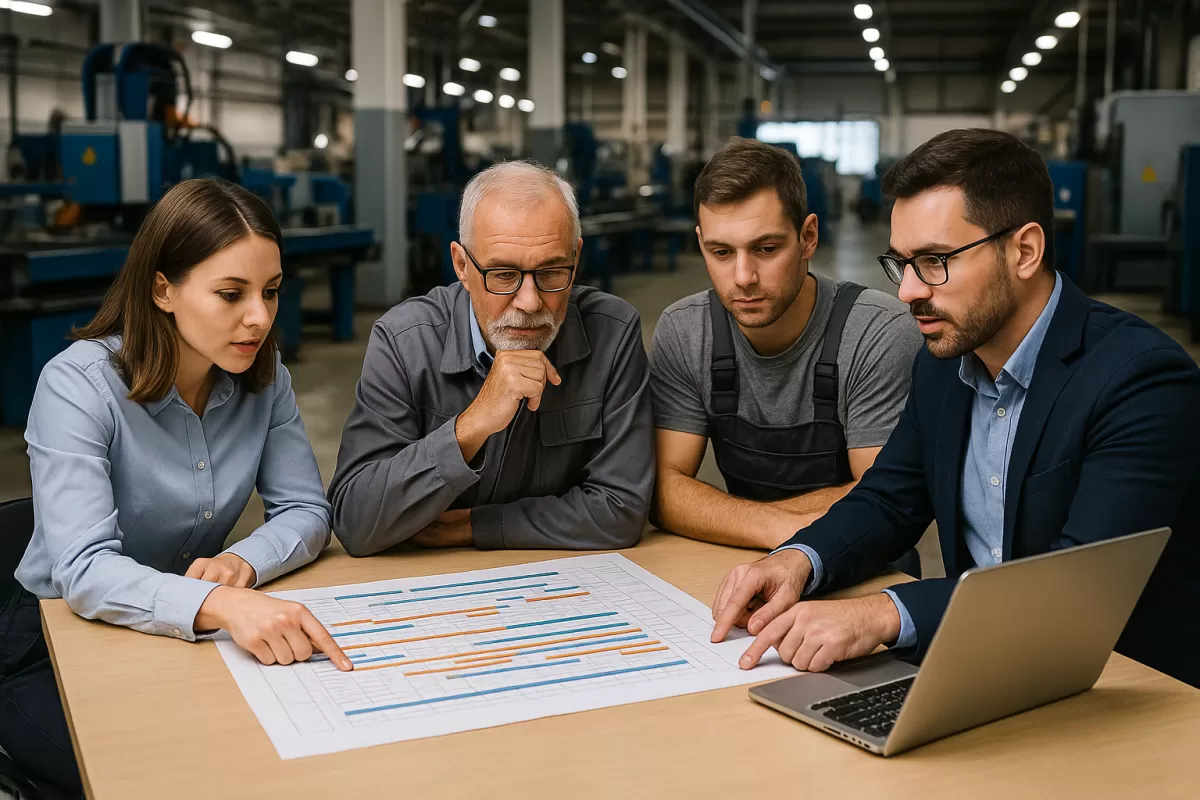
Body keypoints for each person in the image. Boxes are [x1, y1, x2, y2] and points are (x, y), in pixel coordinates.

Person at [710, 128, 1200, 690]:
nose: (908, 292)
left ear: (1025, 250)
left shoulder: (1140, 380)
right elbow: (889, 498)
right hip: (986, 670)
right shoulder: (945, 363)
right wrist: (795, 560)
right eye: (902, 264)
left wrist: (884, 614)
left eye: (935, 261)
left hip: (1124, 691)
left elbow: (1077, 587)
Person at [0, 179, 353, 796]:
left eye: (270, 292)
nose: (261, 318)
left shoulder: (265, 381)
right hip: (54, 645)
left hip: (181, 637)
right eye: (230, 293)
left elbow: (304, 508)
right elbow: (82, 569)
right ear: (163, 288)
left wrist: (242, 562)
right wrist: (222, 605)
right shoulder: (77, 387)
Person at [328, 160, 652, 555]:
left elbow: (622, 509)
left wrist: (470, 526)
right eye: (502, 275)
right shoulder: (404, 343)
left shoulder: (613, 334)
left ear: (576, 257)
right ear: (462, 266)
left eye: (552, 272)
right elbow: (356, 522)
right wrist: (471, 426)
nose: (530, 302)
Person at [650, 137, 923, 559]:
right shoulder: (685, 331)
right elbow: (663, 491)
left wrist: (726, 517)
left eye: (766, 249)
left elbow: (880, 499)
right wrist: (780, 529)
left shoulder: (875, 332)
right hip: (750, 558)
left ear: (808, 237)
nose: (743, 276)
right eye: (721, 252)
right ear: (701, 242)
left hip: (865, 562)